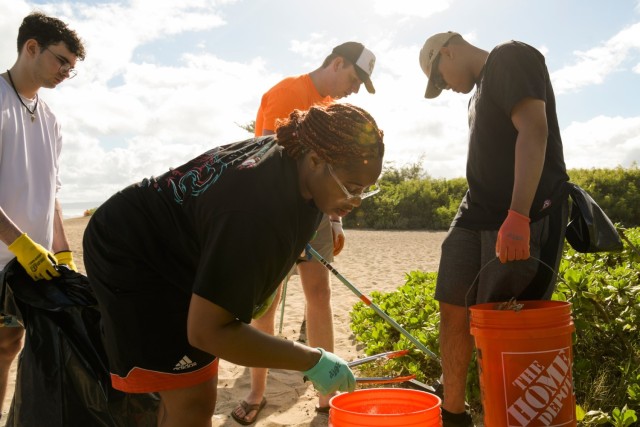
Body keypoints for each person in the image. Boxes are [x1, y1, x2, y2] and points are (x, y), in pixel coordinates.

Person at [82, 103, 385, 427]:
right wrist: (312, 360)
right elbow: (208, 331)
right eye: (351, 188)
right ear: (314, 160)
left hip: (182, 249)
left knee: (191, 392)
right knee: (192, 400)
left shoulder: (300, 167)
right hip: (133, 256)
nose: (356, 201)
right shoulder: (255, 210)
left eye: (366, 190)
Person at [418, 32, 570, 426]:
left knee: (502, 321)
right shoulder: (476, 94)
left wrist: (518, 215)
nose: (444, 88)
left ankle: (502, 417)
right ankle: (453, 414)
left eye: (440, 78)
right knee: (453, 308)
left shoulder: (510, 57)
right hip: (475, 215)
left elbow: (534, 131)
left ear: (447, 52)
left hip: (524, 215)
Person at [232, 41, 377, 424]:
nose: (355, 88)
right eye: (354, 77)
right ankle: (257, 391)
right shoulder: (288, 93)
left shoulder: (336, 108)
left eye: (362, 84)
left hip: (319, 213)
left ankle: (326, 396)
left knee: (319, 294)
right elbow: (273, 160)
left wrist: (334, 219)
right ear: (337, 62)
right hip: (278, 213)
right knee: (267, 303)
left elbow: (338, 172)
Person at [0, 11, 85, 414]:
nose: (67, 72)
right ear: (31, 47)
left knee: (8, 345)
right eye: (61, 60)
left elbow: (51, 191)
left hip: (25, 266)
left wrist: (62, 249)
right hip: (10, 253)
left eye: (72, 66)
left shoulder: (51, 120)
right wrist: (21, 244)